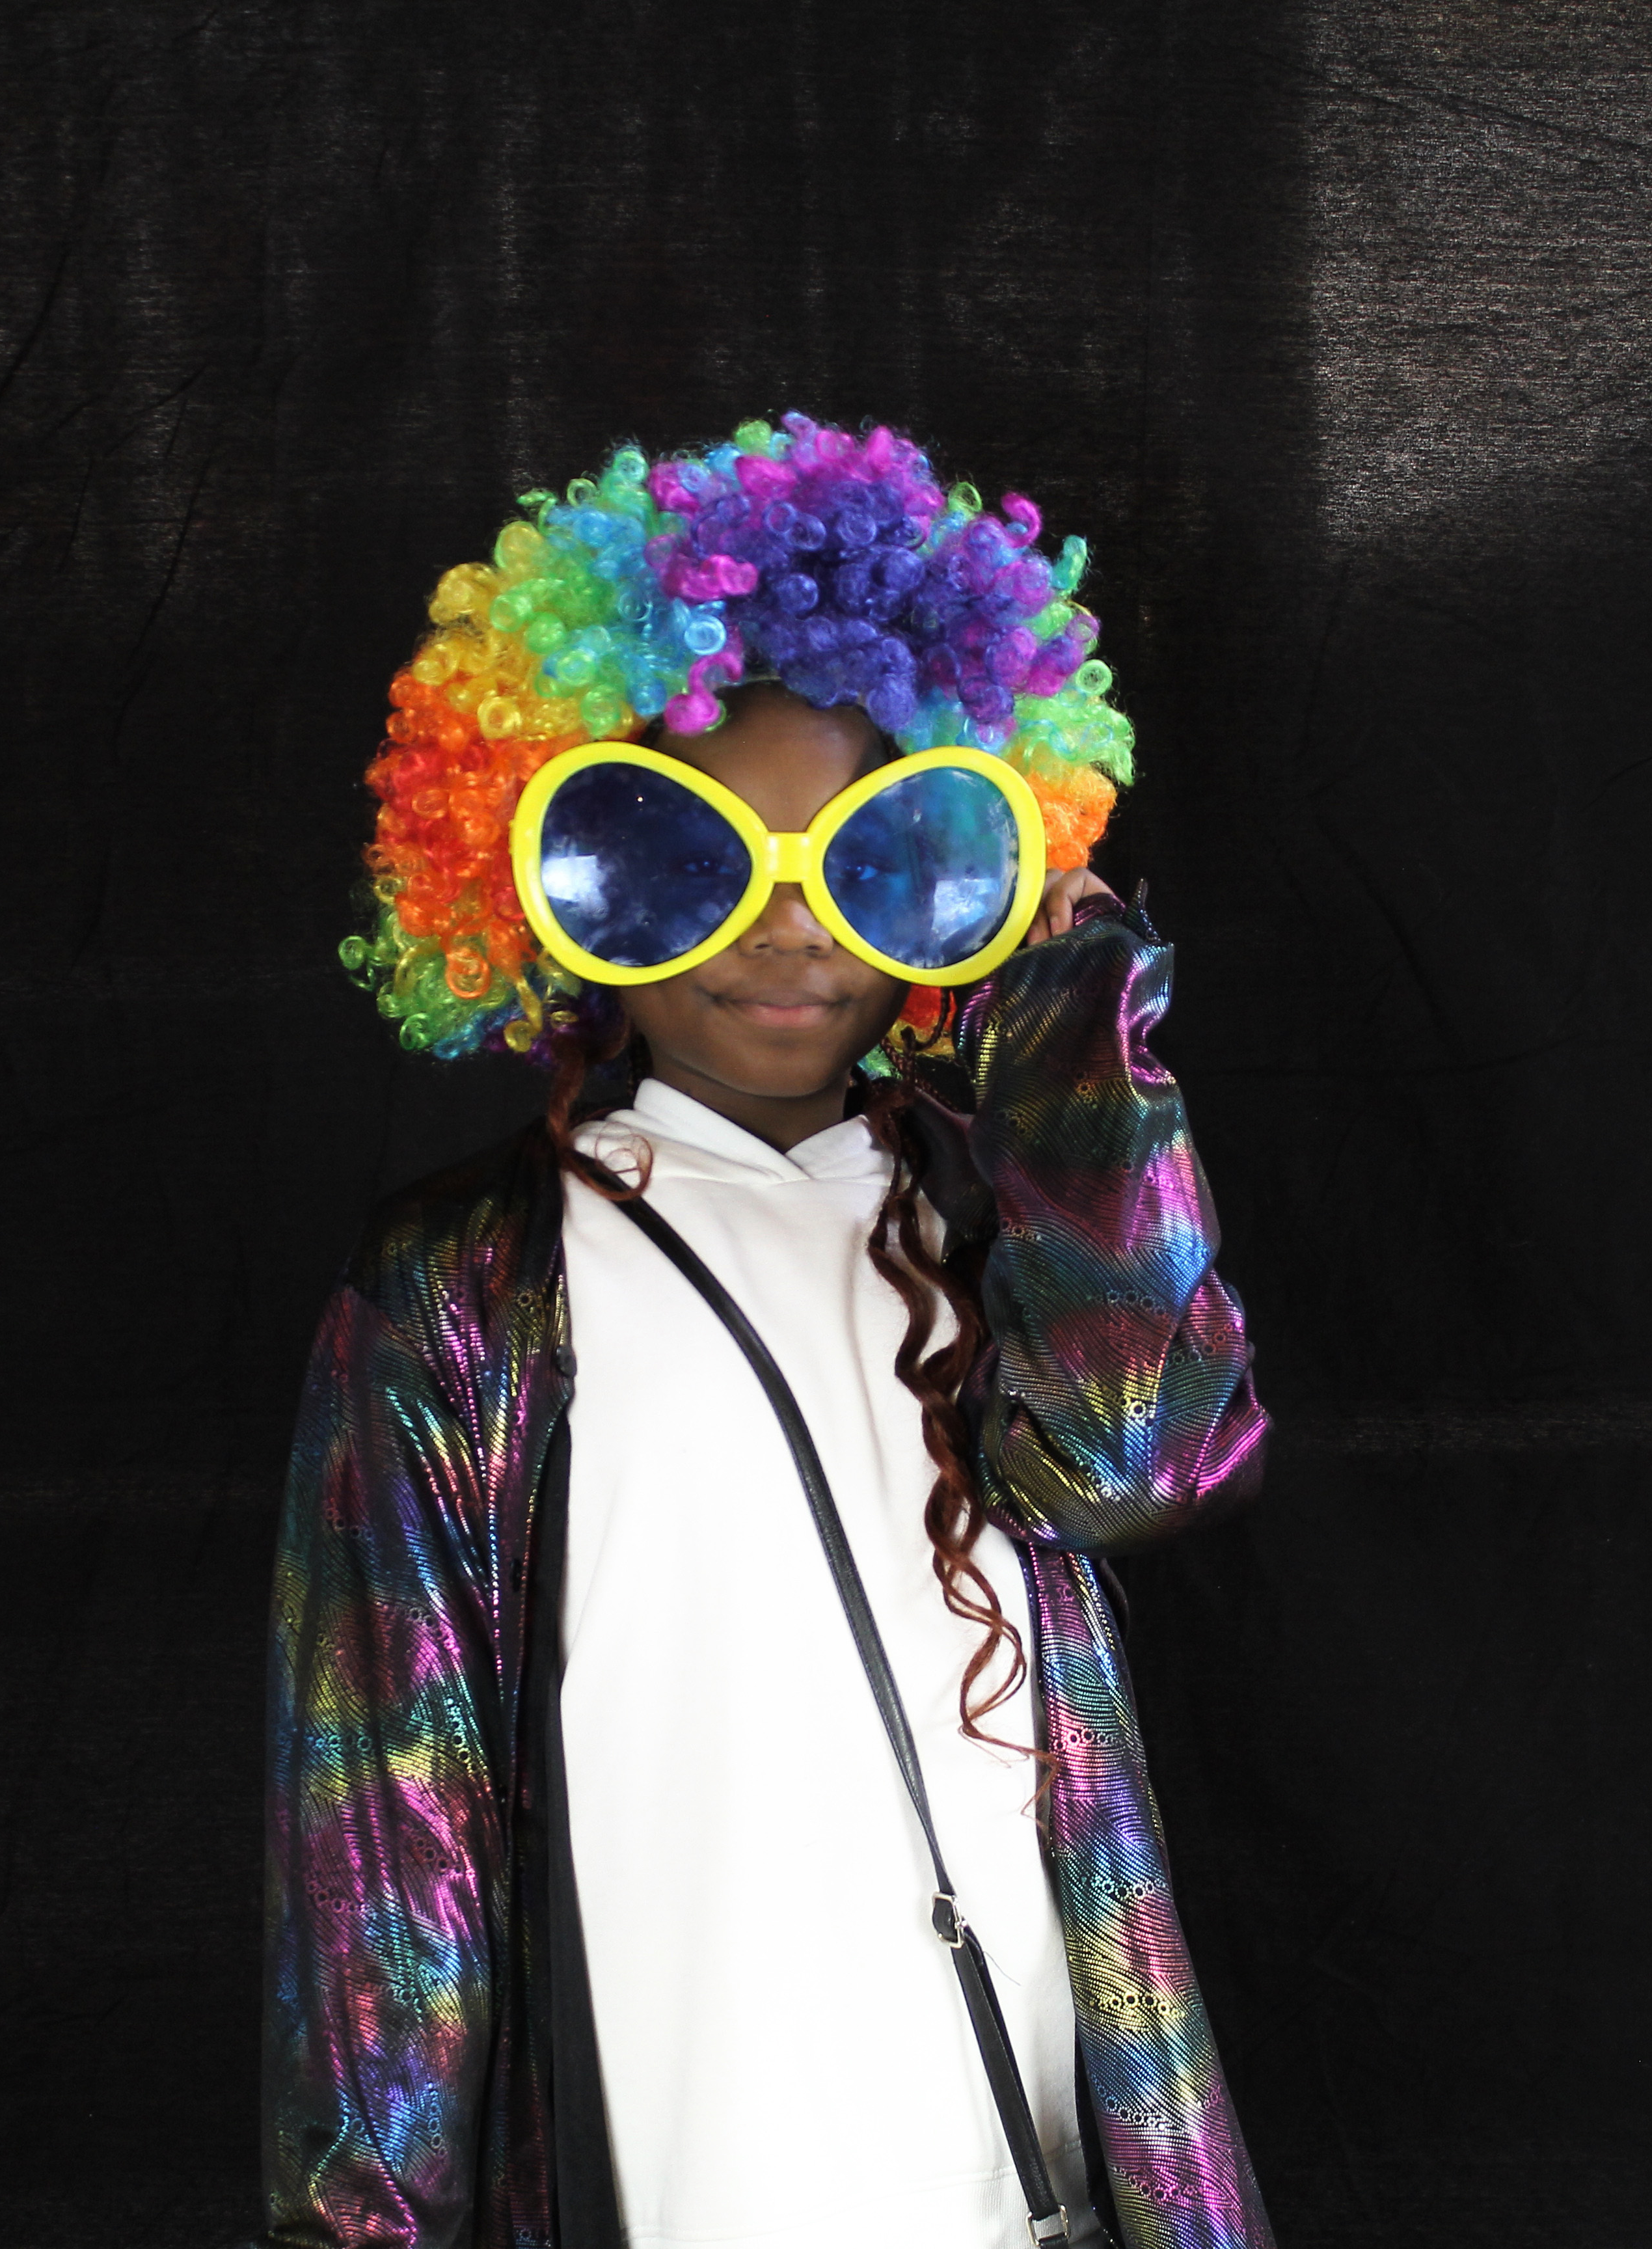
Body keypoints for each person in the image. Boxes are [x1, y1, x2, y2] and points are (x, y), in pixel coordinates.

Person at [265, 416, 1274, 2248]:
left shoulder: (999, 1225)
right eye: (689, 856)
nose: (788, 928)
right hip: (690, 2133)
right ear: (547, 874)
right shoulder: (462, 1288)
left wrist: (1073, 1047)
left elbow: (1144, 1461)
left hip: (1004, 2145)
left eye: (866, 859)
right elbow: (385, 1851)